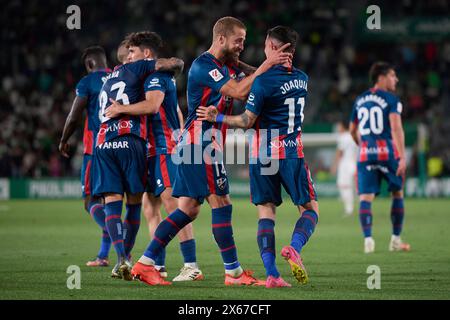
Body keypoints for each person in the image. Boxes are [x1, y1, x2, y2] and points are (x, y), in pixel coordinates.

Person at [130, 16, 292, 286]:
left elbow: (250, 74)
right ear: (221, 39)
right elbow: (241, 91)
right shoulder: (204, 66)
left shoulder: (227, 64)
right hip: (200, 143)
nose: (242, 45)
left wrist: (275, 67)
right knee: (221, 203)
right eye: (238, 40)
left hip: (200, 144)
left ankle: (144, 263)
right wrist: (268, 64)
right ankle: (233, 273)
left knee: (188, 210)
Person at [197, 26, 319, 288]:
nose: (263, 50)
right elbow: (272, 78)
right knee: (310, 210)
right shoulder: (303, 79)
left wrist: (215, 116)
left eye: (266, 46)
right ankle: (295, 247)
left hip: (262, 154)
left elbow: (245, 120)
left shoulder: (261, 82)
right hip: (290, 151)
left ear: (273, 49)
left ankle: (273, 274)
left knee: (266, 213)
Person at [105, 31, 203, 281]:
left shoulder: (156, 75)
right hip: (149, 149)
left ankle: (191, 265)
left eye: (132, 53)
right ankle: (157, 266)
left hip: (164, 147)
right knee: (151, 208)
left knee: (172, 203)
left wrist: (119, 109)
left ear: (146, 54)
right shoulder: (144, 77)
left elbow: (152, 106)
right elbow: (176, 112)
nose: (129, 58)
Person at [92, 49, 184, 280]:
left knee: (112, 203)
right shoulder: (138, 68)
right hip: (131, 140)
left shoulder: (106, 82)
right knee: (134, 204)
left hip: (103, 142)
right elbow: (173, 62)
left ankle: (122, 258)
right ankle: (132, 258)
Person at [349, 62, 410, 254]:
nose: (396, 79)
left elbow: (352, 129)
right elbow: (396, 128)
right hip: (387, 153)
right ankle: (395, 240)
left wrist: (364, 145)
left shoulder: (360, 99)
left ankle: (368, 240)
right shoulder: (391, 99)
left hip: (366, 154)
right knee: (397, 193)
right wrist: (401, 157)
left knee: (365, 198)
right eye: (393, 75)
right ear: (381, 78)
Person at [59, 46, 111, 267]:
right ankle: (103, 255)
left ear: (90, 64)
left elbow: (73, 116)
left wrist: (63, 139)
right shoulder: (119, 76)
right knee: (111, 202)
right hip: (121, 145)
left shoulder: (87, 82)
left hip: (96, 149)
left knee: (91, 200)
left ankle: (117, 235)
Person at [330, 120, 358, 216]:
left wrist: (334, 166)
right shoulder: (353, 136)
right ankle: (354, 206)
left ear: (342, 126)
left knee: (343, 186)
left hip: (345, 164)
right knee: (352, 186)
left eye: (339, 126)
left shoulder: (343, 137)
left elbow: (339, 153)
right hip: (354, 163)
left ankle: (349, 209)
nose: (338, 128)